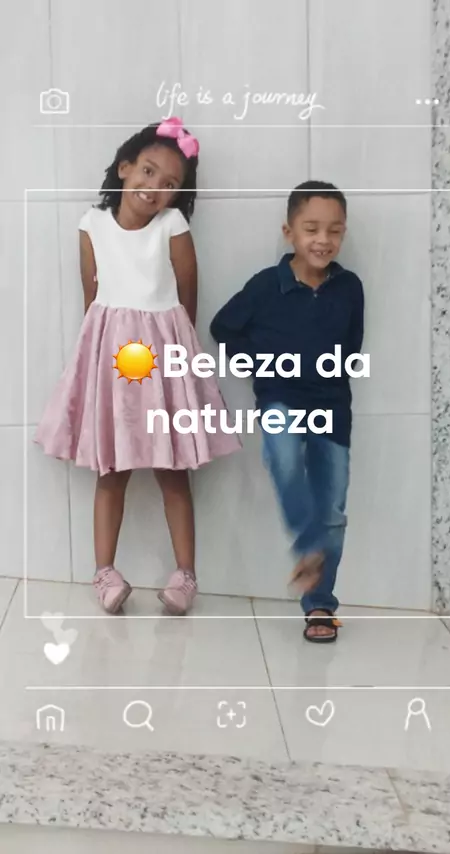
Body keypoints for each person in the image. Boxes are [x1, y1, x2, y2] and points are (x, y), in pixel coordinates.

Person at [34, 118, 241, 616]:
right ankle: (104, 572)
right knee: (113, 467)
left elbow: (187, 297)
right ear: (125, 168)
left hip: (163, 357)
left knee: (172, 469)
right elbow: (92, 299)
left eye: (170, 183)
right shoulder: (92, 224)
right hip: (113, 360)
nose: (155, 187)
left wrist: (177, 361)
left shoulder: (172, 227)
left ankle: (185, 574)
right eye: (148, 171)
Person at [210, 181, 364, 643]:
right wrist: (259, 365)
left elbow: (350, 347)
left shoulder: (350, 288)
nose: (323, 240)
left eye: (334, 230)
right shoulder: (265, 286)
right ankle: (308, 546)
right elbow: (222, 328)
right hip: (279, 399)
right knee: (282, 456)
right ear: (289, 232)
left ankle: (319, 604)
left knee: (332, 509)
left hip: (332, 409)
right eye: (312, 229)